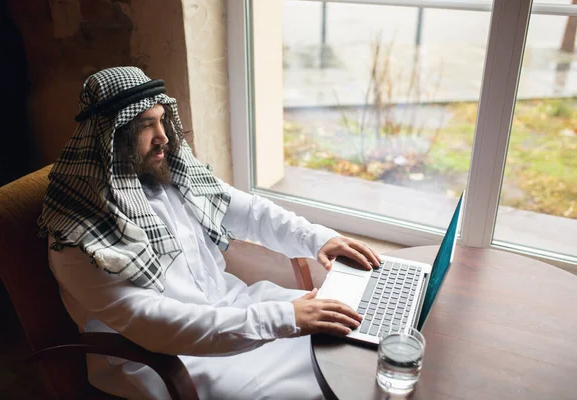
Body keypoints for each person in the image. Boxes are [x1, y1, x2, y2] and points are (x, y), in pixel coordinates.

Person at [39, 66, 381, 400]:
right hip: (170, 359)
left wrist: (319, 239)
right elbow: (154, 323)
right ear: (112, 138)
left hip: (238, 310)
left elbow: (251, 212)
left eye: (163, 120)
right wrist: (282, 318)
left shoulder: (166, 173)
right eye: (147, 126)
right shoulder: (79, 239)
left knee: (357, 343)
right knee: (325, 384)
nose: (165, 137)